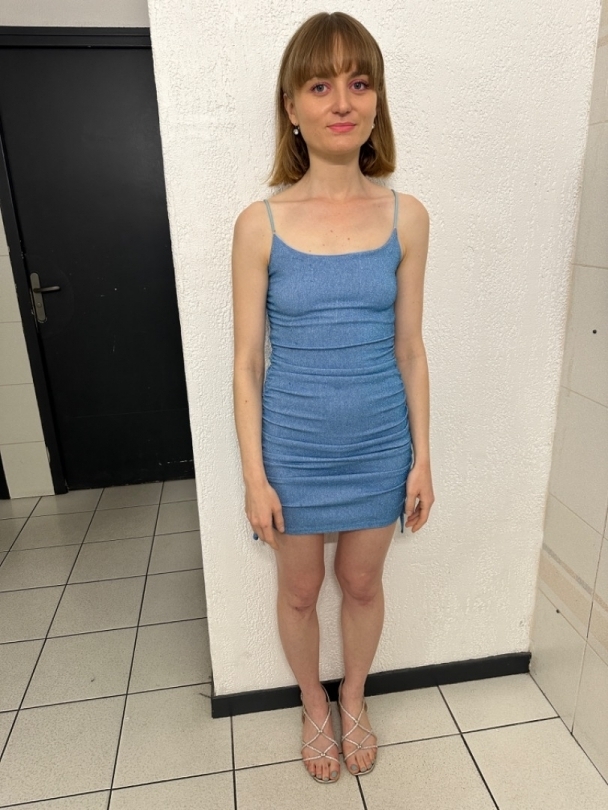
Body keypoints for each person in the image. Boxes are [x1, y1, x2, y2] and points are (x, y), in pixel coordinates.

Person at [231, 11, 434, 785]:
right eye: (319, 86)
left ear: (377, 100)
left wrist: (422, 459)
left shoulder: (407, 217)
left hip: (380, 444)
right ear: (291, 106)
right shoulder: (260, 225)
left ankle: (354, 698)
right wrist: (255, 477)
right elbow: (247, 363)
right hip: (293, 450)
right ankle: (312, 704)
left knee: (361, 583)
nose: (341, 101)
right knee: (299, 590)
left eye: (358, 82)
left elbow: (410, 349)